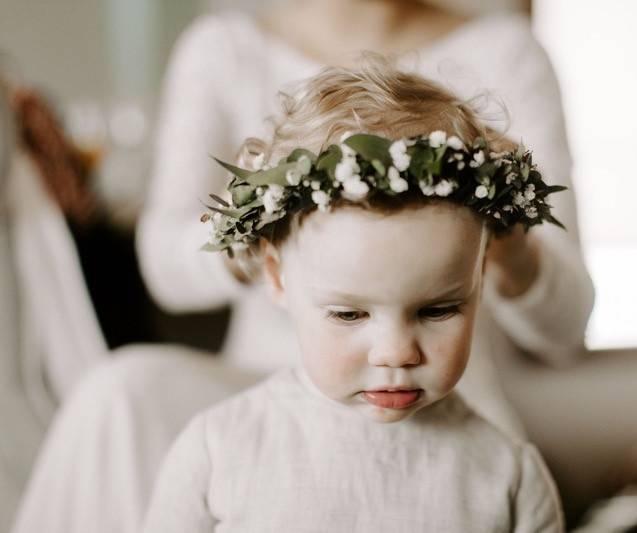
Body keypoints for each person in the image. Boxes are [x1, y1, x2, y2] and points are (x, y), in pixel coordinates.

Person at [13, 2, 594, 532]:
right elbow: (165, 269)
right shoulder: (222, 48)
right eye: (347, 310)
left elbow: (565, 331)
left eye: (442, 305)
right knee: (122, 392)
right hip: (263, 378)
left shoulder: (506, 50)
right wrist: (273, 229)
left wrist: (509, 242)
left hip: (443, 392)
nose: (389, 346)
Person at [142, 58, 565, 532]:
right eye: (348, 314)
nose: (397, 352)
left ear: (480, 275)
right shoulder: (219, 450)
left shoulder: (507, 475)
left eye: (438, 309)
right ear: (277, 279)